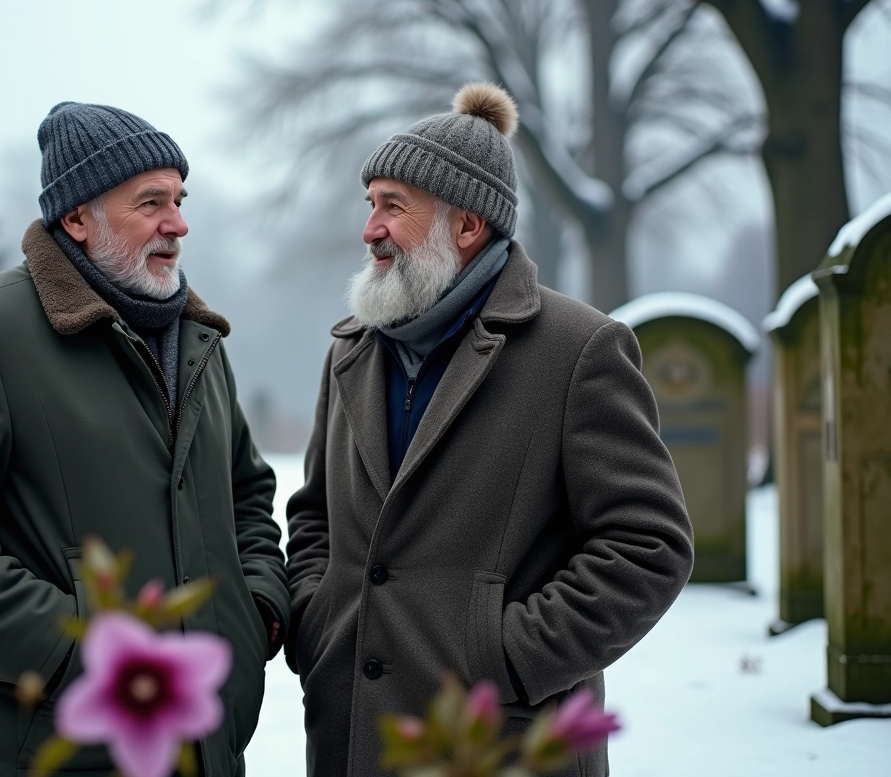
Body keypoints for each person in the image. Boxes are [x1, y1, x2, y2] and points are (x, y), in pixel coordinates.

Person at [0, 102, 288, 777]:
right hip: (53, 749)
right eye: (149, 203)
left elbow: (246, 493)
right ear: (77, 219)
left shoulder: (200, 339)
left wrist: (256, 606)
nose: (177, 224)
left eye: (178, 200)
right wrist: (69, 648)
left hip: (204, 741)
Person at [284, 82, 694, 777]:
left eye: (392, 206)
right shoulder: (350, 349)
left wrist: (507, 655)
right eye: (370, 204)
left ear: (466, 226)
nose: (370, 229)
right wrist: (318, 619)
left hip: (506, 746)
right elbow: (316, 516)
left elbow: (648, 545)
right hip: (352, 738)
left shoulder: (578, 350)